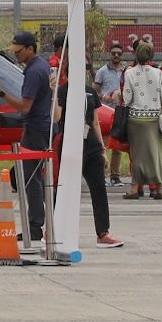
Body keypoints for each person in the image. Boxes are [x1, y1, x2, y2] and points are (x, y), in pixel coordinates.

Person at [0, 31, 52, 241]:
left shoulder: (33, 72)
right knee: (34, 178)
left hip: (35, 129)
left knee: (30, 178)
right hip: (40, 126)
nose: (16, 55)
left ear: (30, 49)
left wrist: (0, 92)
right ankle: (38, 222)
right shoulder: (40, 66)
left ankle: (35, 226)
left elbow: (25, 106)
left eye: (19, 51)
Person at [54, 63, 123, 248]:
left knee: (99, 187)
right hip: (69, 142)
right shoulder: (61, 91)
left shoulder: (89, 92)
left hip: (91, 143)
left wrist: (102, 149)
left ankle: (103, 232)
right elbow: (57, 118)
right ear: (68, 75)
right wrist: (53, 95)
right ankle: (54, 229)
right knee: (64, 187)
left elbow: (95, 122)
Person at [121, 42, 162, 200]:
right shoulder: (158, 72)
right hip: (155, 119)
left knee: (137, 155)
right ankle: (157, 188)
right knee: (155, 153)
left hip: (136, 119)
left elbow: (127, 98)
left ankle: (135, 187)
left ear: (136, 54)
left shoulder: (129, 73)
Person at [95, 43, 128, 187]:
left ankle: (115, 176)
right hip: (105, 112)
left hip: (120, 111)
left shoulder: (126, 72)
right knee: (102, 144)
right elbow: (95, 91)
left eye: (119, 53)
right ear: (110, 54)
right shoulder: (102, 71)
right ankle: (100, 175)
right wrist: (105, 97)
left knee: (117, 145)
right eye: (113, 53)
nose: (116, 55)